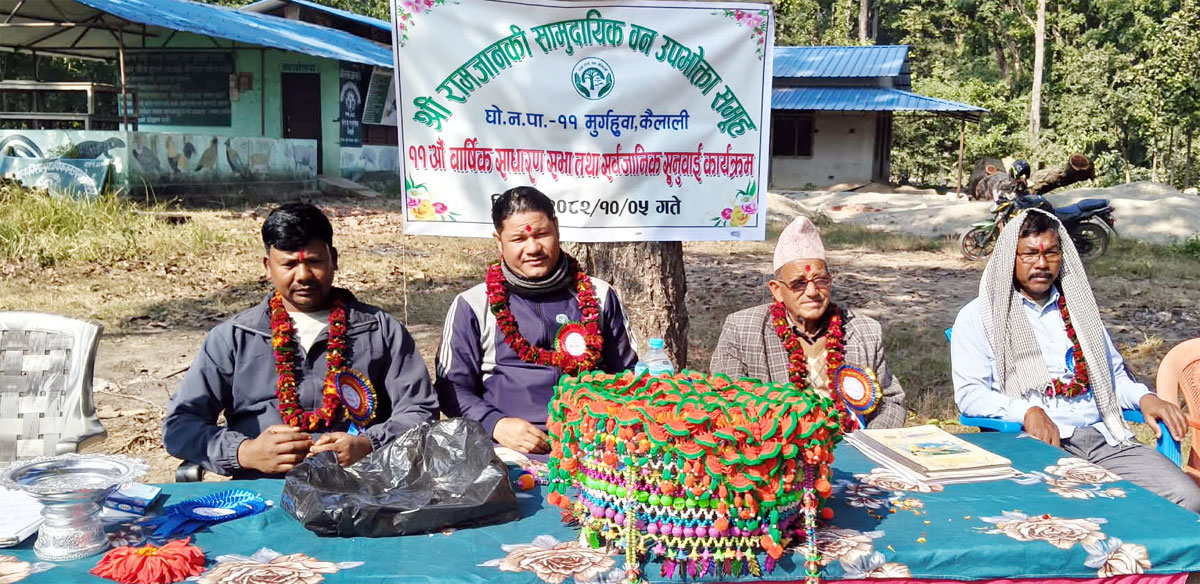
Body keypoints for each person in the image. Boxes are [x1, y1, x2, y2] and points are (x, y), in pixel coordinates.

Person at [163, 203, 438, 478]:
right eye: (289, 264)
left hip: (361, 485)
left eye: (314, 262)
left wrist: (370, 444)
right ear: (267, 267)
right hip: (262, 492)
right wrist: (244, 452)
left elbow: (420, 410)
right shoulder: (234, 337)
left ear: (334, 260)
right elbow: (180, 425)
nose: (303, 276)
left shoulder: (379, 330)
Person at [952, 208, 1200, 511]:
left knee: (1187, 498)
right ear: (1009, 259)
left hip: (1105, 439)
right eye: (1029, 254)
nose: (1042, 264)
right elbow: (970, 396)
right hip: (1036, 445)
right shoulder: (979, 316)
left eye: (1051, 253)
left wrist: (1144, 398)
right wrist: (1026, 410)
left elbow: (1112, 379)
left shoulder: (1080, 310)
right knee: (1072, 514)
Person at [435, 186, 639, 454]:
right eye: (519, 239)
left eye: (542, 234)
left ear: (556, 228)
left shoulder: (599, 296)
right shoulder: (474, 304)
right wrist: (495, 424)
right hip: (504, 450)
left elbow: (630, 376)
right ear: (499, 241)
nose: (533, 248)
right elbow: (450, 388)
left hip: (596, 447)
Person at [709, 215, 906, 429]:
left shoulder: (865, 331)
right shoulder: (743, 330)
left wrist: (865, 446)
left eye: (820, 280)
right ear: (777, 290)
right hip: (775, 454)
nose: (812, 292)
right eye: (798, 284)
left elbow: (892, 402)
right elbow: (726, 405)